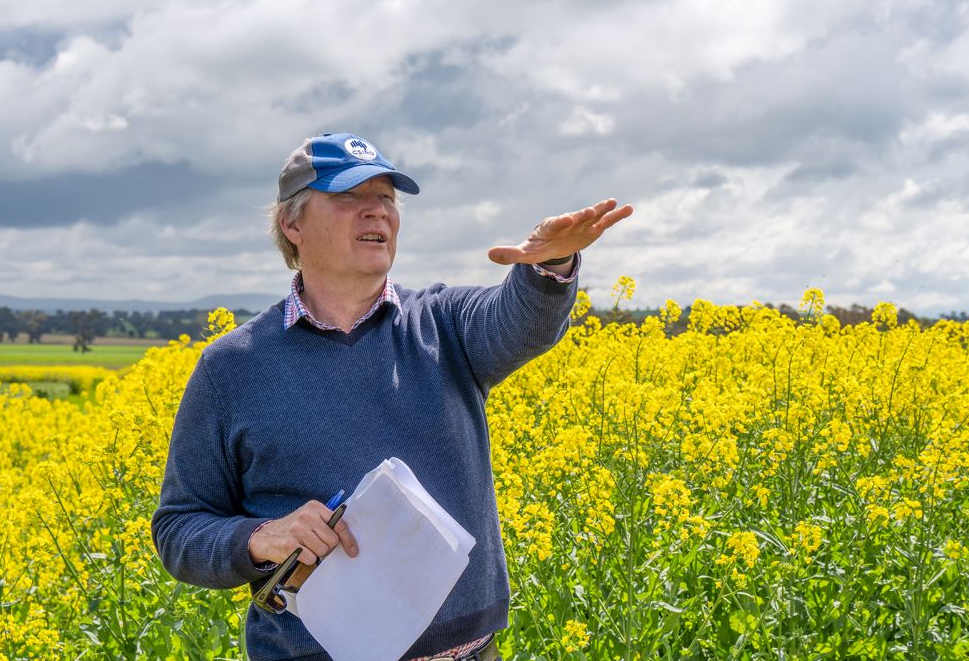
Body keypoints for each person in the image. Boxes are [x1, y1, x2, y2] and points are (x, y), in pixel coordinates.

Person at [150, 132, 633, 661]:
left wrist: (549, 269)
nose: (375, 213)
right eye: (349, 199)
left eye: (386, 199)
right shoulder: (231, 368)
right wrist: (262, 537)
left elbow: (518, 324)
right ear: (292, 225)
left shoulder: (443, 322)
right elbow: (180, 527)